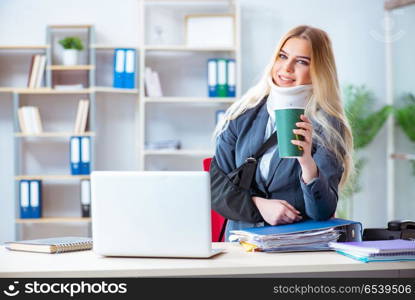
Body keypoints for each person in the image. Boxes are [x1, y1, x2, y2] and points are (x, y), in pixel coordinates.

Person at [213, 25, 354, 241]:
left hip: (295, 247)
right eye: (283, 56)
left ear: (319, 70)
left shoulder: (327, 125)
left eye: (301, 61)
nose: (287, 67)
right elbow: (216, 188)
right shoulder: (242, 114)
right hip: (241, 246)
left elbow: (322, 212)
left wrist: (307, 163)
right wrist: (258, 206)